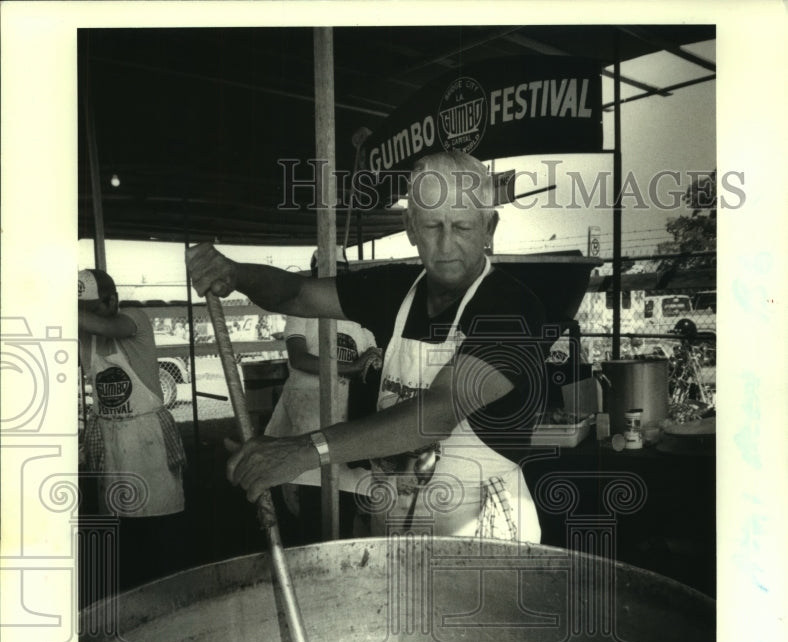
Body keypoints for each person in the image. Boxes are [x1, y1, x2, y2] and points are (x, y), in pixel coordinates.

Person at [186, 151, 548, 543]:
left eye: (461, 227)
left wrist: (301, 451)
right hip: (396, 525)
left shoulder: (514, 309)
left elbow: (436, 414)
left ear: (489, 227)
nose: (445, 246)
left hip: (482, 537)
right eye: (431, 225)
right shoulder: (396, 290)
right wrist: (236, 274)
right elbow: (296, 295)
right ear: (410, 228)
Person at [78, 268, 187, 588]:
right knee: (122, 530)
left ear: (113, 299)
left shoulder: (134, 319)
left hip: (146, 438)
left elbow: (100, 324)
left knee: (159, 527)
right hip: (112, 441)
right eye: (82, 308)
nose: (87, 315)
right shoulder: (86, 334)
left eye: (94, 306)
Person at [264, 246, 382, 535]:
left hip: (347, 419)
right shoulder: (301, 310)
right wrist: (351, 368)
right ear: (315, 273)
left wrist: (373, 358)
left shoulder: (359, 313)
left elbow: (373, 353)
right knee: (311, 506)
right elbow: (299, 358)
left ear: (347, 272)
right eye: (324, 271)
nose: (332, 278)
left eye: (339, 272)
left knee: (348, 506)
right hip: (309, 416)